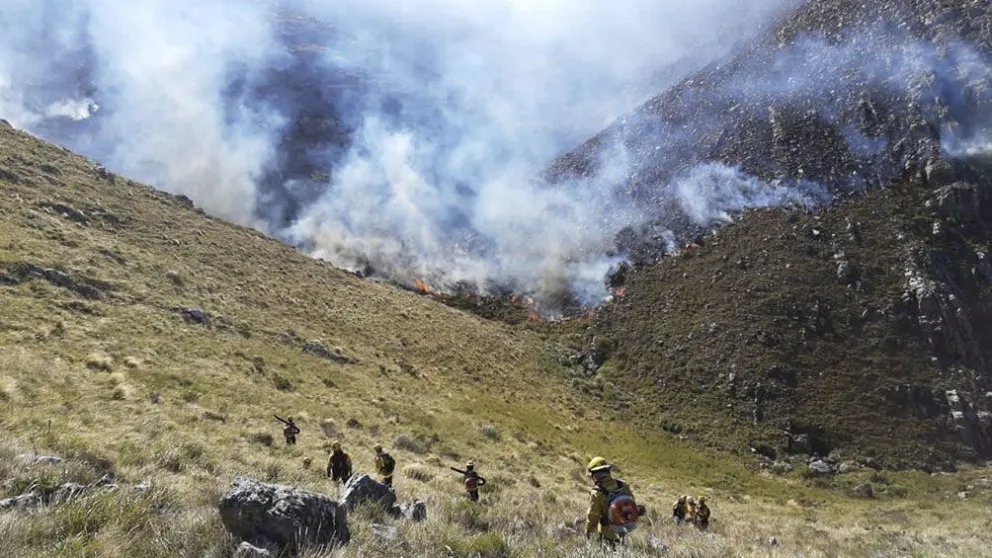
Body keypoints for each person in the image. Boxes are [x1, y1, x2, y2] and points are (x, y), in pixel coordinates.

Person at [584, 457, 640, 549]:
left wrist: (588, 531)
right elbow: (631, 501)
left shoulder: (597, 493)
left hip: (607, 533)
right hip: (624, 529)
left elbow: (593, 515)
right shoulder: (622, 485)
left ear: (595, 475)